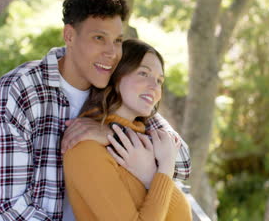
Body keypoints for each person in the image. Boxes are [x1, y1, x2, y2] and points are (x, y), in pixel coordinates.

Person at [0, 0, 191, 221]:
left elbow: (181, 160)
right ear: (69, 36)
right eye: (99, 38)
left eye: (117, 40)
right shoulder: (18, 91)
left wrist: (112, 134)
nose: (111, 52)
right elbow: (8, 204)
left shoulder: (112, 86)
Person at [64, 39, 192, 220]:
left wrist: (152, 176)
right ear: (116, 76)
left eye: (159, 80)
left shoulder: (150, 138)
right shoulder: (86, 147)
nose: (155, 87)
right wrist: (164, 167)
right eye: (143, 73)